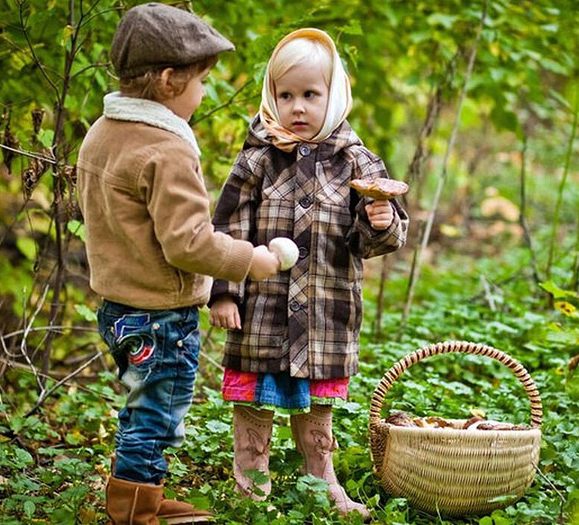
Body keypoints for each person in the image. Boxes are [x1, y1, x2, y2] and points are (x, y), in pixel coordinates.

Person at [75, 4, 280, 524]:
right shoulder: (165, 149)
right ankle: (133, 512)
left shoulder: (103, 130)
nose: (204, 93)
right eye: (202, 82)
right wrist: (249, 260)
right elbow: (188, 243)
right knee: (157, 413)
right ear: (169, 81)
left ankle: (142, 495)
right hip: (161, 314)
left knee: (143, 405)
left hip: (119, 303)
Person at [209, 28, 409, 521]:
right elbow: (228, 229)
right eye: (286, 95)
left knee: (317, 408)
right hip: (261, 311)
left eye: (310, 95)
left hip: (325, 310)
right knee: (254, 401)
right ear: (271, 97)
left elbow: (372, 242)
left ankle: (323, 484)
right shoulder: (256, 161)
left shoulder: (357, 162)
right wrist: (224, 294)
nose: (297, 107)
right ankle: (250, 485)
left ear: (334, 95)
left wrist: (378, 222)